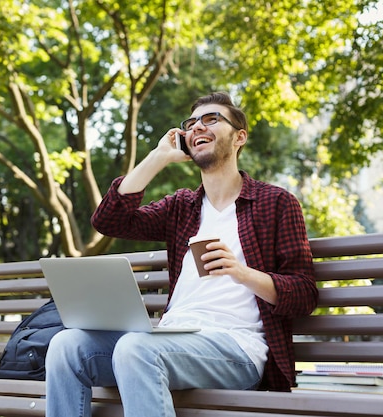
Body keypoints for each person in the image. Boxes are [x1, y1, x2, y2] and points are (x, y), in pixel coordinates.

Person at [45, 92, 319, 417]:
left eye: (211, 119)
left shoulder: (275, 203)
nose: (197, 127)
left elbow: (304, 294)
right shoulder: (182, 206)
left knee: (137, 349)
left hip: (237, 347)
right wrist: (159, 157)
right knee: (66, 346)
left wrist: (240, 272)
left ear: (239, 137)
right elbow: (109, 220)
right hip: (170, 339)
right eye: (191, 124)